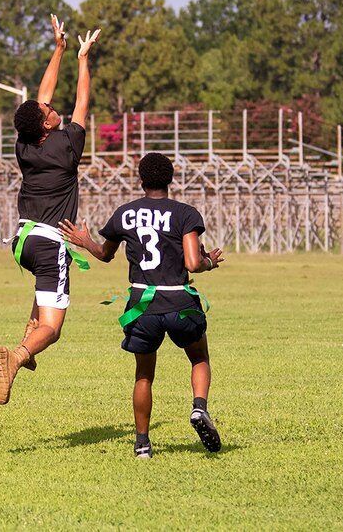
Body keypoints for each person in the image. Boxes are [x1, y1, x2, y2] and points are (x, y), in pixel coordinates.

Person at [60, 152, 225, 459]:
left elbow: (105, 254)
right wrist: (209, 263)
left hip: (142, 304)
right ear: (171, 179)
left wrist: (84, 241)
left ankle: (142, 444)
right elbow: (192, 262)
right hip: (179, 301)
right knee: (199, 357)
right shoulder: (184, 213)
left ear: (141, 179)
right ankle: (199, 408)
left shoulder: (126, 213)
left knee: (144, 375)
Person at [0, 15, 101, 405]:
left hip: (22, 240)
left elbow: (41, 98)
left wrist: (58, 49)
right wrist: (82, 59)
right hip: (50, 241)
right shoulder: (67, 144)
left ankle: (27, 336)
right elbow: (83, 102)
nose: (52, 110)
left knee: (42, 300)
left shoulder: (24, 146)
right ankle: (19, 355)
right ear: (44, 127)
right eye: (48, 113)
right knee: (54, 329)